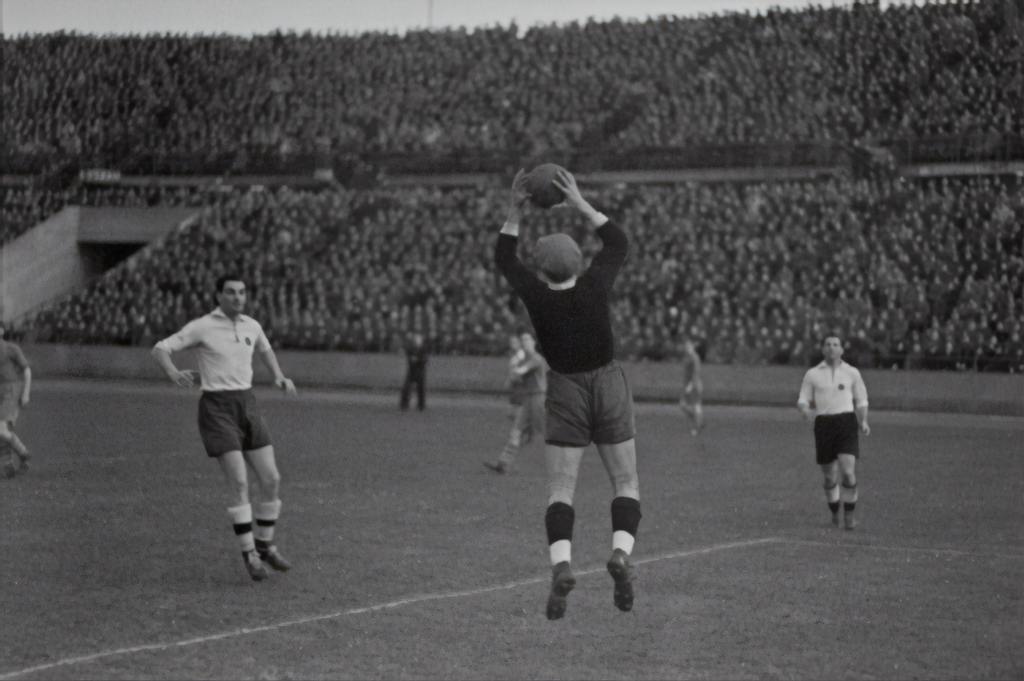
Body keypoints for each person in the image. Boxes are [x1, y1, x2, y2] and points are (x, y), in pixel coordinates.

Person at [495, 168, 642, 620]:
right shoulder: (596, 285)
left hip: (564, 389)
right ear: (580, 261)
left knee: (561, 488)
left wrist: (516, 210)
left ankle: (562, 565)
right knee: (625, 482)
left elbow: (504, 258)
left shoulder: (537, 298)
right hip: (608, 383)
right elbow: (618, 242)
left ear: (542, 268)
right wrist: (579, 202)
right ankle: (620, 554)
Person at [151, 274, 298, 581]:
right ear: (218, 295)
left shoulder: (252, 325)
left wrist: (279, 376)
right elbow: (160, 348)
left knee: (271, 479)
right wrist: (173, 373)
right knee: (240, 483)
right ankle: (250, 556)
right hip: (217, 408)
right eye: (230, 292)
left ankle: (265, 545)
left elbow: (265, 348)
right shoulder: (202, 326)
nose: (237, 297)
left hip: (248, 404)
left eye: (242, 292)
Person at [797, 335, 871, 530]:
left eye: (835, 344)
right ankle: (834, 515)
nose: (831, 348)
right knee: (830, 477)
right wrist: (806, 411)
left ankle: (849, 517)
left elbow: (862, 400)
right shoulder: (812, 374)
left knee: (848, 472)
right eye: (828, 345)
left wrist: (863, 421)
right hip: (824, 424)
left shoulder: (852, 373)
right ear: (823, 349)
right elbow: (803, 400)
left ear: (841, 350)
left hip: (846, 422)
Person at [485, 331, 547, 474]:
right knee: (516, 430)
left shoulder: (536, 359)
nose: (525, 343)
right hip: (528, 399)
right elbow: (514, 379)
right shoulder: (526, 359)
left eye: (527, 340)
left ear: (533, 342)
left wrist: (514, 364)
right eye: (523, 340)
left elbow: (519, 372)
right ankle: (503, 463)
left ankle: (563, 462)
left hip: (538, 398)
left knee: (547, 432)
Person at [0, 325, 32, 478]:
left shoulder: (11, 348)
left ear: (1, 331)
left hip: (10, 390)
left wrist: (25, 393)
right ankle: (11, 462)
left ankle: (21, 453)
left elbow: (27, 371)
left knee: (1, 429)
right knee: (3, 430)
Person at [678, 339, 704, 436]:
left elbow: (696, 372)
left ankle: (697, 427)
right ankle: (698, 421)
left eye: (689, 347)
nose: (687, 349)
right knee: (683, 405)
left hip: (694, 385)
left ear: (693, 347)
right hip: (688, 385)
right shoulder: (687, 357)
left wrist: (691, 385)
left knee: (696, 405)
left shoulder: (695, 358)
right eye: (686, 347)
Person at [400, 331, 428, 411]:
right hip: (412, 370)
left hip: (420, 371)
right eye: (416, 339)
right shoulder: (411, 348)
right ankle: (404, 404)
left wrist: (418, 360)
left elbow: (425, 359)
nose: (418, 340)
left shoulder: (423, 349)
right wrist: (413, 359)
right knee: (406, 388)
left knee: (421, 389)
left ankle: (421, 405)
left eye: (419, 339)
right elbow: (408, 357)